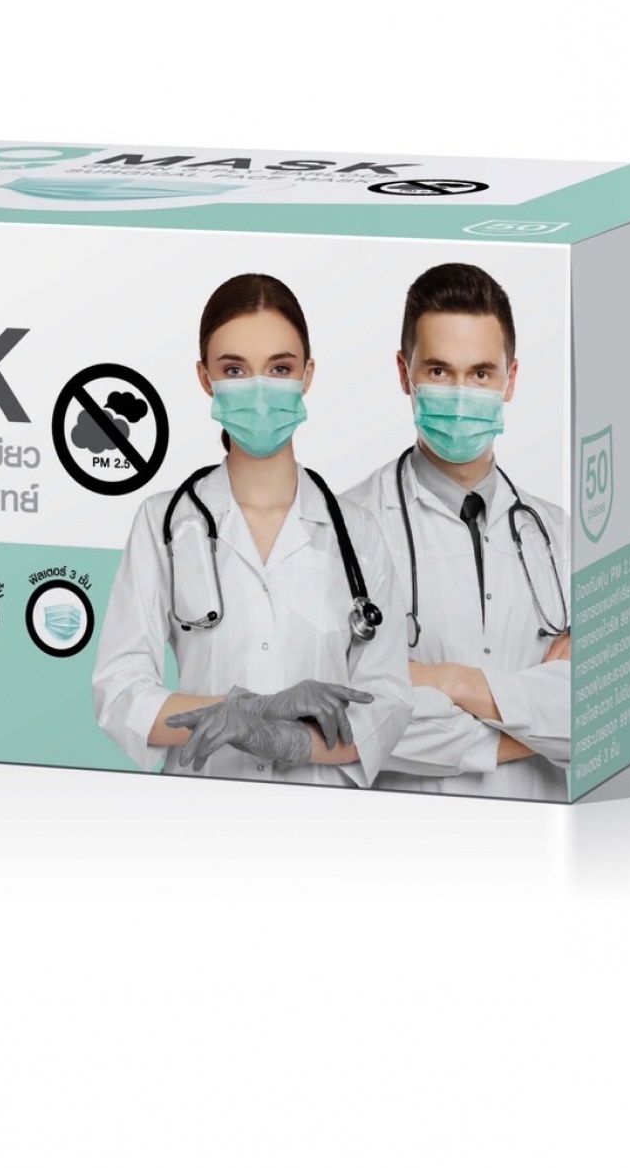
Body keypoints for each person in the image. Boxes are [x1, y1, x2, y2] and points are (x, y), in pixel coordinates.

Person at [92, 273, 413, 788]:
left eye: (280, 368)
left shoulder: (359, 532)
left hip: (320, 815)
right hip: (203, 811)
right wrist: (250, 709)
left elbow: (385, 705)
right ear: (205, 378)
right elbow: (121, 693)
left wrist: (286, 739)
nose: (259, 388)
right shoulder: (164, 522)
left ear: (307, 374)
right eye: (235, 370)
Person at [343, 263, 571, 800]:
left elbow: (605, 704)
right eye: (440, 372)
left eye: (482, 373)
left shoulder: (561, 537)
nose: (462, 395)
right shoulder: (345, 529)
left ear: (511, 379)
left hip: (540, 836)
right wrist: (539, 716)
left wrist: (448, 681)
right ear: (405, 374)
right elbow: (355, 718)